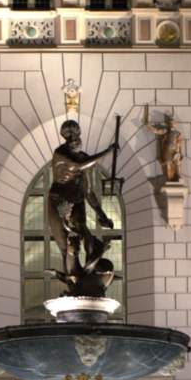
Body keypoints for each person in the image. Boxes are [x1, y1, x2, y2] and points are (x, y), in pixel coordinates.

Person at [47, 120, 117, 282]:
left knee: (83, 229)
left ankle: (90, 267)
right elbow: (79, 165)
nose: (74, 138)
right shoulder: (60, 154)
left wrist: (101, 215)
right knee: (66, 245)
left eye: (76, 134)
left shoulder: (86, 159)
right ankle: (73, 281)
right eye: (70, 135)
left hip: (77, 200)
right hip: (59, 201)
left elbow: (89, 191)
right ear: (64, 137)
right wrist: (107, 152)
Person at [145, 111, 182, 182]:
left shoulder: (177, 133)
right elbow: (156, 130)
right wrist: (149, 125)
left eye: (173, 123)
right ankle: (169, 178)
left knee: (177, 163)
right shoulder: (166, 131)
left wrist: (179, 152)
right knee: (168, 163)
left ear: (175, 124)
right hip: (167, 150)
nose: (171, 124)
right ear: (168, 124)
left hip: (175, 150)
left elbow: (179, 144)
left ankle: (178, 176)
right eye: (170, 123)